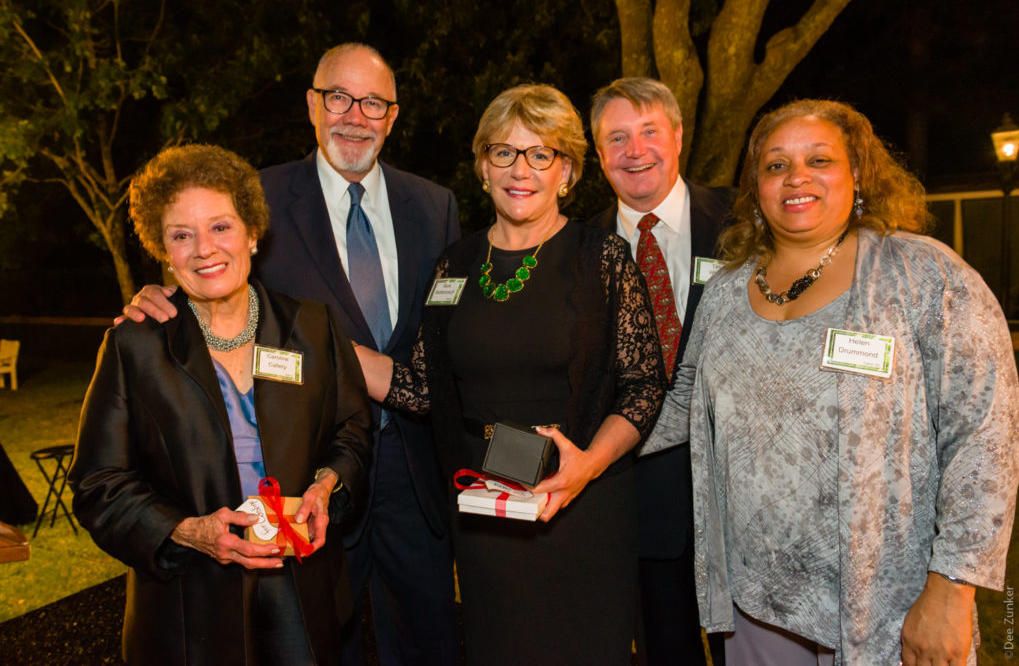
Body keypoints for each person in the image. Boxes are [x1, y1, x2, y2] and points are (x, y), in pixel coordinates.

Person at [646, 99, 1019, 664]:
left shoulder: (923, 276)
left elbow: (988, 435)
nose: (795, 177)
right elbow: (683, 402)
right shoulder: (726, 291)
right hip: (756, 605)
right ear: (755, 188)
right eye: (775, 165)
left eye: (818, 159)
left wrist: (953, 586)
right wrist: (583, 448)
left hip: (886, 606)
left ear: (858, 176)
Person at [120, 43, 461, 665]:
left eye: (373, 103)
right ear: (312, 104)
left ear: (392, 116)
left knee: (429, 640)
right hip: (303, 488)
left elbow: (447, 336)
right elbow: (208, 273)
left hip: (413, 474)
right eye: (339, 98)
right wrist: (156, 295)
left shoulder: (435, 207)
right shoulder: (259, 199)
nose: (354, 116)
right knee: (322, 640)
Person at [355, 83, 665, 665]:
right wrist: (312, 339)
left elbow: (645, 385)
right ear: (482, 166)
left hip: (580, 506)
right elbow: (422, 384)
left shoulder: (602, 258)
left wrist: (586, 466)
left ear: (566, 169)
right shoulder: (455, 264)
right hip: (487, 507)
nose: (520, 169)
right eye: (504, 152)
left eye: (540, 153)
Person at [69, 144, 373, 665]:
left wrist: (328, 484)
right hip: (189, 602)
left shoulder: (314, 327)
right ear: (163, 251)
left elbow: (353, 428)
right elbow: (98, 485)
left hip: (301, 588)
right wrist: (189, 532)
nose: (205, 249)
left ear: (253, 232)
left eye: (221, 227)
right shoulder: (135, 345)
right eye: (182, 235)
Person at [588, 77, 731, 666]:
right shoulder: (580, 246)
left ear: (677, 136)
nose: (634, 149)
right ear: (599, 155)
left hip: (739, 493)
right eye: (616, 137)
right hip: (639, 496)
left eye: (649, 131)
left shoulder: (746, 220)